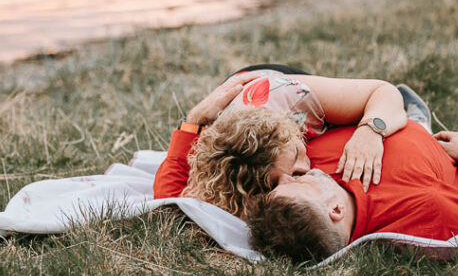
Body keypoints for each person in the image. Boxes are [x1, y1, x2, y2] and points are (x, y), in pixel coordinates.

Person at [250, 94, 458, 263]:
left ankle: (416, 119)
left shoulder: (307, 166)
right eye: (295, 185)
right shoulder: (423, 214)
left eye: (278, 184)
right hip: (450, 150)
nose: (290, 176)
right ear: (335, 209)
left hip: (389, 121)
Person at [154, 70, 409, 218]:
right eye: (291, 175)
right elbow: (169, 203)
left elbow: (383, 92)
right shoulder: (229, 174)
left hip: (268, 83)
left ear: (290, 131)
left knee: (380, 112)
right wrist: (193, 120)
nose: (307, 167)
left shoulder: (295, 96)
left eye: (297, 154)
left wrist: (371, 130)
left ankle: (414, 112)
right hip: (232, 114)